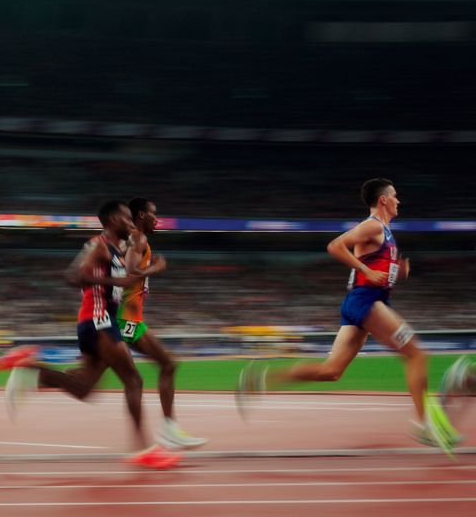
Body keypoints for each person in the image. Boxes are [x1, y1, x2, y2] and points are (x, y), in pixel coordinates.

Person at [236, 178, 457, 453]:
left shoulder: (384, 231)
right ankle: (424, 424)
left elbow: (373, 265)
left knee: (331, 372)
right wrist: (367, 271)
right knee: (416, 355)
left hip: (362, 302)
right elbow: (335, 246)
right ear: (383, 199)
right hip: (366, 301)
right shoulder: (373, 226)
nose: (399, 200)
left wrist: (396, 272)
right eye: (395, 196)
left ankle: (262, 378)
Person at [0, 200, 180, 469]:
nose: (131, 223)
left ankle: (31, 370)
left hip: (100, 321)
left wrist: (149, 269)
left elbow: (131, 274)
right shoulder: (98, 245)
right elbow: (73, 275)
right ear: (113, 220)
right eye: (127, 218)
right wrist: (114, 281)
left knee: (83, 389)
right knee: (133, 380)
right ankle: (144, 449)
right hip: (98, 320)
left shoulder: (118, 249)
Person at [119, 197, 205, 451]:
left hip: (131, 318)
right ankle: (161, 435)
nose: (157, 219)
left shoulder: (132, 238)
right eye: (154, 214)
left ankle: (169, 430)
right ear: (142, 215)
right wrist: (156, 268)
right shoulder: (138, 239)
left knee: (166, 364)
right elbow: (130, 273)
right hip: (125, 319)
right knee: (151, 372)